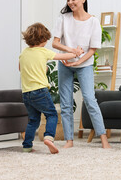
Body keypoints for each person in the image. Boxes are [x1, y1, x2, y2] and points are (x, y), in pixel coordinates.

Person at [52, 0, 111, 149]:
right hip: (64, 64)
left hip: (84, 64)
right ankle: (69, 140)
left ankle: (103, 138)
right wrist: (70, 52)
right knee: (65, 103)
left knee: (90, 100)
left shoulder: (93, 22)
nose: (70, 2)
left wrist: (79, 61)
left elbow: (93, 49)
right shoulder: (64, 18)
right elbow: (55, 42)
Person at [19, 22, 79, 154]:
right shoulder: (43, 51)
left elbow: (21, 69)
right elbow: (62, 56)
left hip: (26, 93)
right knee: (51, 115)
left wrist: (42, 68)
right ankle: (49, 138)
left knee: (33, 120)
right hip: (40, 91)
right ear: (43, 39)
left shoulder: (23, 53)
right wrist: (76, 53)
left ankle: (27, 146)